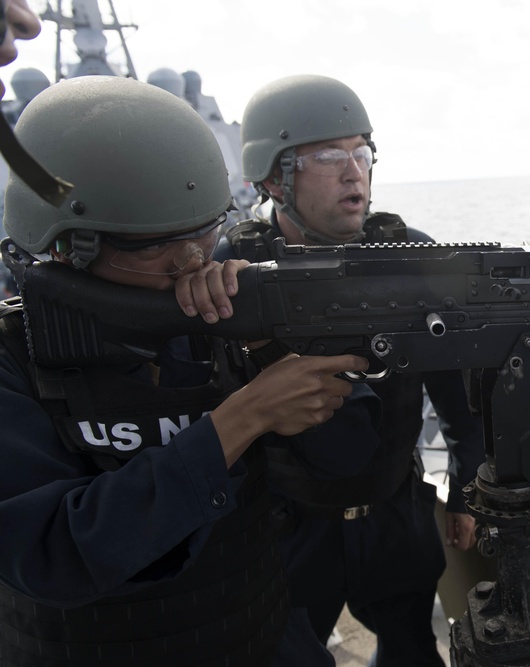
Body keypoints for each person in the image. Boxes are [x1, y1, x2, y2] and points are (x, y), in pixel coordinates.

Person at [0, 75, 382, 666]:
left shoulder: (218, 319)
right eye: (156, 246)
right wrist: (242, 418)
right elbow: (52, 553)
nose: (194, 262)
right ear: (63, 251)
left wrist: (265, 342)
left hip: (259, 636)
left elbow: (350, 464)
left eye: (205, 232)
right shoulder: (13, 358)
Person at [187, 74, 486, 666]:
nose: (355, 172)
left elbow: (455, 389)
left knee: (412, 651)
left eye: (362, 153)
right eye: (329, 157)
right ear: (273, 179)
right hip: (289, 528)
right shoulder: (232, 271)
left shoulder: (411, 257)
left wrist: (466, 488)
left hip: (396, 514)